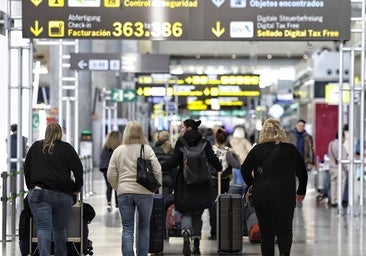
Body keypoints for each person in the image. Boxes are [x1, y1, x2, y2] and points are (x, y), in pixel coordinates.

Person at [241, 118, 308, 256]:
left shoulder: (257, 150)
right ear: (281, 131)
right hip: (285, 198)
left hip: (262, 198)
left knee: (266, 234)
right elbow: (302, 172)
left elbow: (244, 170)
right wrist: (301, 191)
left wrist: (253, 184)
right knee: (285, 231)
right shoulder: (291, 150)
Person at [162, 119, 222, 256]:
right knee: (197, 214)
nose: (182, 129)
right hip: (201, 184)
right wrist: (219, 167)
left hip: (184, 184)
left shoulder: (180, 142)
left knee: (185, 212)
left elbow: (174, 161)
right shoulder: (204, 142)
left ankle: (186, 232)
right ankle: (196, 240)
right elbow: (213, 160)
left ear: (189, 128)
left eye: (183, 127)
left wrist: (160, 167)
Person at [24, 122, 84, 256]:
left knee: (43, 228)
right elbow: (79, 170)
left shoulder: (35, 147)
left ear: (46, 132)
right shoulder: (67, 148)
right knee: (60, 229)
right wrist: (76, 188)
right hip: (62, 195)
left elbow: (26, 169)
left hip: (38, 193)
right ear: (60, 133)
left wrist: (31, 187)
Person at [107, 121, 162, 256]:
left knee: (127, 228)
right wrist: (154, 188)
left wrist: (118, 187)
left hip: (124, 193)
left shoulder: (118, 150)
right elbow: (158, 170)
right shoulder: (147, 149)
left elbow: (111, 174)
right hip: (145, 192)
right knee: (144, 227)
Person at [208, 127, 241, 241]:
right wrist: (235, 154)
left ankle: (214, 232)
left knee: (213, 206)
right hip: (224, 181)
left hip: (212, 181)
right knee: (224, 205)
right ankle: (223, 230)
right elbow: (237, 165)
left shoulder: (210, 149)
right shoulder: (228, 151)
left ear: (215, 138)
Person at [152, 130, 177, 211]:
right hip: (168, 181)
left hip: (155, 181)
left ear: (158, 138)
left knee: (155, 203)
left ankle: (157, 221)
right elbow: (174, 170)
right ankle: (165, 219)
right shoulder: (172, 151)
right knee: (166, 203)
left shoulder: (153, 150)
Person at [99, 130, 122, 211]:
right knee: (117, 186)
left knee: (108, 186)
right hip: (115, 168)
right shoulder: (119, 148)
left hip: (105, 168)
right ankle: (117, 203)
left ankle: (109, 202)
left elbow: (102, 158)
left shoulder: (105, 147)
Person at [328, 132, 348, 207]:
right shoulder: (341, 146)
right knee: (341, 185)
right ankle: (338, 201)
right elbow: (343, 159)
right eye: (344, 137)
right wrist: (346, 169)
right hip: (339, 169)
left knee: (333, 184)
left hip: (331, 168)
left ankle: (333, 200)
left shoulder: (331, 144)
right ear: (341, 137)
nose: (345, 139)